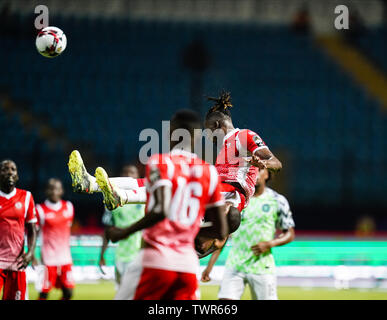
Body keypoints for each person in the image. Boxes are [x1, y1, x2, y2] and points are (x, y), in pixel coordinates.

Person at [95, 109, 228, 299]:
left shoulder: (160, 162)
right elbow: (221, 230)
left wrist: (122, 232)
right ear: (198, 137)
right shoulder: (210, 172)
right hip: (188, 267)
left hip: (154, 260)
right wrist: (187, 232)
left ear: (170, 133)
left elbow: (161, 209)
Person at [201, 169, 295, 300]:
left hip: (262, 266)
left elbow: (289, 233)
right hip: (235, 264)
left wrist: (269, 244)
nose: (255, 172)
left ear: (267, 174)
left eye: (260, 170)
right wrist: (210, 266)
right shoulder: (236, 200)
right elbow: (224, 234)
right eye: (253, 169)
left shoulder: (277, 200)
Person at [99, 165, 145, 288]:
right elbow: (107, 229)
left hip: (140, 254)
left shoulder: (145, 198)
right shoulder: (112, 201)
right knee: (122, 293)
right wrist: (102, 255)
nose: (128, 175)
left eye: (132, 172)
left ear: (137, 178)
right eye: (125, 172)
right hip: (120, 255)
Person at [0, 159, 37, 300]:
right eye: (5, 169)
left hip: (18, 262)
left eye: (13, 169)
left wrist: (30, 253)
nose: (9, 172)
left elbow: (32, 229)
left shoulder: (26, 197)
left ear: (17, 176)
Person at [34, 178, 75, 300]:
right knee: (44, 293)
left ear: (61, 191)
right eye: (51, 188)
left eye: (57, 188)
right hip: (48, 260)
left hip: (65, 258)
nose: (54, 191)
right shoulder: (40, 209)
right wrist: (32, 255)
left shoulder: (68, 207)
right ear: (46, 191)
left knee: (68, 293)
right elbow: (34, 234)